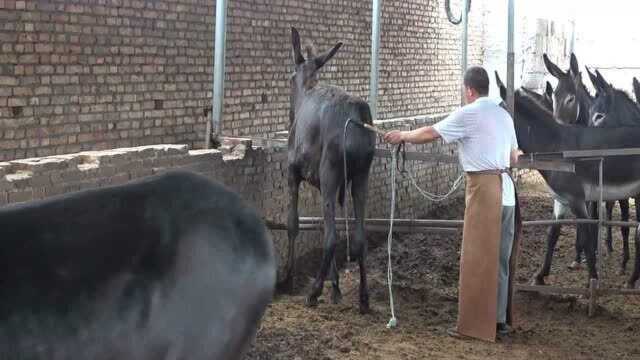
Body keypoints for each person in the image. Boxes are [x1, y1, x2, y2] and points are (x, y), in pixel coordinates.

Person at [384, 66, 522, 342]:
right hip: (507, 193)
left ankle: (474, 326)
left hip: (485, 192)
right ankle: (498, 321)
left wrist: (402, 136)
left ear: (469, 90)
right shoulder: (503, 115)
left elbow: (431, 133)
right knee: (500, 260)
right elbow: (515, 157)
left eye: (464, 90)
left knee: (476, 259)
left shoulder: (470, 113)